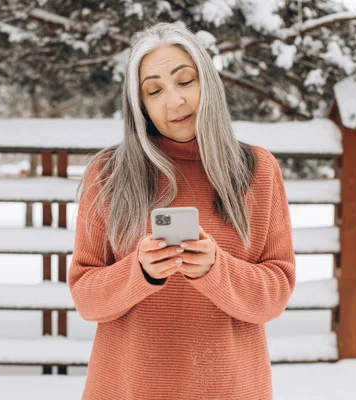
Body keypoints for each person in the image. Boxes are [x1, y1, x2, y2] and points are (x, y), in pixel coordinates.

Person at [68, 21, 296, 400]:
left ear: (207, 83)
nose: (173, 101)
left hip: (230, 389)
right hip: (129, 389)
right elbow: (86, 298)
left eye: (185, 81)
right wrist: (137, 271)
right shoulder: (108, 173)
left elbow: (274, 294)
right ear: (139, 105)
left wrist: (216, 269)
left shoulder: (257, 170)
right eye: (154, 90)